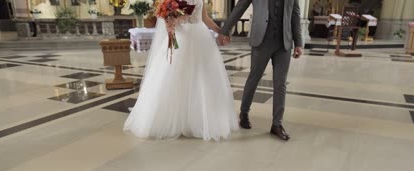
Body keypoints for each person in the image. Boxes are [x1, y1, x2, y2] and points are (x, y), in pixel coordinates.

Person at [124, 0, 239, 141]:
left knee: (202, 77)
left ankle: (198, 119)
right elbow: (168, 15)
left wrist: (222, 32)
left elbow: (205, 19)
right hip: (182, 37)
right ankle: (172, 119)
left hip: (200, 37)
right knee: (174, 76)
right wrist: (171, 22)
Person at [217, 0, 303, 141]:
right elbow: (239, 8)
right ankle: (244, 113)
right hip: (261, 40)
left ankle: (277, 124)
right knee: (254, 78)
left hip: (284, 44)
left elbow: (295, 14)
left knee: (280, 84)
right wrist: (225, 30)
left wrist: (299, 43)